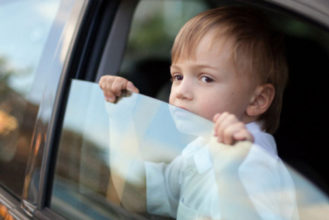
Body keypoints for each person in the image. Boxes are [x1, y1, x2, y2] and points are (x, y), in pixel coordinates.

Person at [100, 6, 297, 220]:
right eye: (177, 76)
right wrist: (121, 118)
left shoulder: (253, 165)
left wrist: (228, 177)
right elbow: (136, 196)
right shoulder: (200, 151)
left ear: (258, 100)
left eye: (206, 78)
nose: (181, 91)